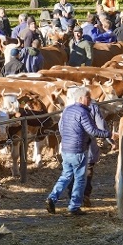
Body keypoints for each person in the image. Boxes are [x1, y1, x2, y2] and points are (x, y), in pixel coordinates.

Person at [45, 87, 111, 215]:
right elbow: (92, 131)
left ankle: (52, 198)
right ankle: (74, 207)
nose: (90, 99)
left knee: (66, 175)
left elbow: (61, 128)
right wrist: (109, 134)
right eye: (88, 97)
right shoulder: (83, 112)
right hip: (79, 149)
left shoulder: (67, 110)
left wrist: (67, 141)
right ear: (81, 98)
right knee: (80, 178)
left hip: (66, 149)